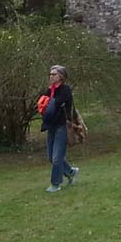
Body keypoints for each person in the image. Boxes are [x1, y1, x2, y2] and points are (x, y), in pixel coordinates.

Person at [38, 64, 78, 192]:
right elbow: (43, 106)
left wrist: (49, 103)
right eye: (50, 74)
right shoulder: (49, 90)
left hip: (62, 126)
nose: (51, 76)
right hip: (51, 126)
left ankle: (55, 184)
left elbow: (57, 103)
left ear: (61, 76)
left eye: (54, 74)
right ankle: (70, 172)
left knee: (57, 157)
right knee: (51, 156)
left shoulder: (65, 90)